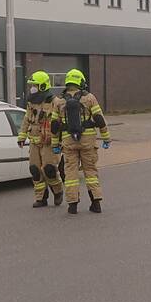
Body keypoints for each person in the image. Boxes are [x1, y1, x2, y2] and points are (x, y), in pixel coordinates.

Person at [51, 69, 110, 214]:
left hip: (68, 142)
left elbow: (54, 126)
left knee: (70, 173)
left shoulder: (59, 101)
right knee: (90, 171)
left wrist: (55, 145)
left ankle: (72, 206)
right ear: (80, 81)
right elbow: (99, 119)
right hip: (88, 142)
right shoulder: (89, 98)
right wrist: (106, 137)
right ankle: (96, 203)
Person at [17, 71, 63, 208]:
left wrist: (60, 139)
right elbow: (26, 119)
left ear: (42, 86)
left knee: (49, 169)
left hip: (49, 142)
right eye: (31, 85)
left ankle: (58, 191)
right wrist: (22, 135)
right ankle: (41, 197)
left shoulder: (55, 102)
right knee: (35, 170)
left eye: (34, 85)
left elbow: (61, 122)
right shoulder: (32, 102)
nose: (32, 88)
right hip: (34, 142)